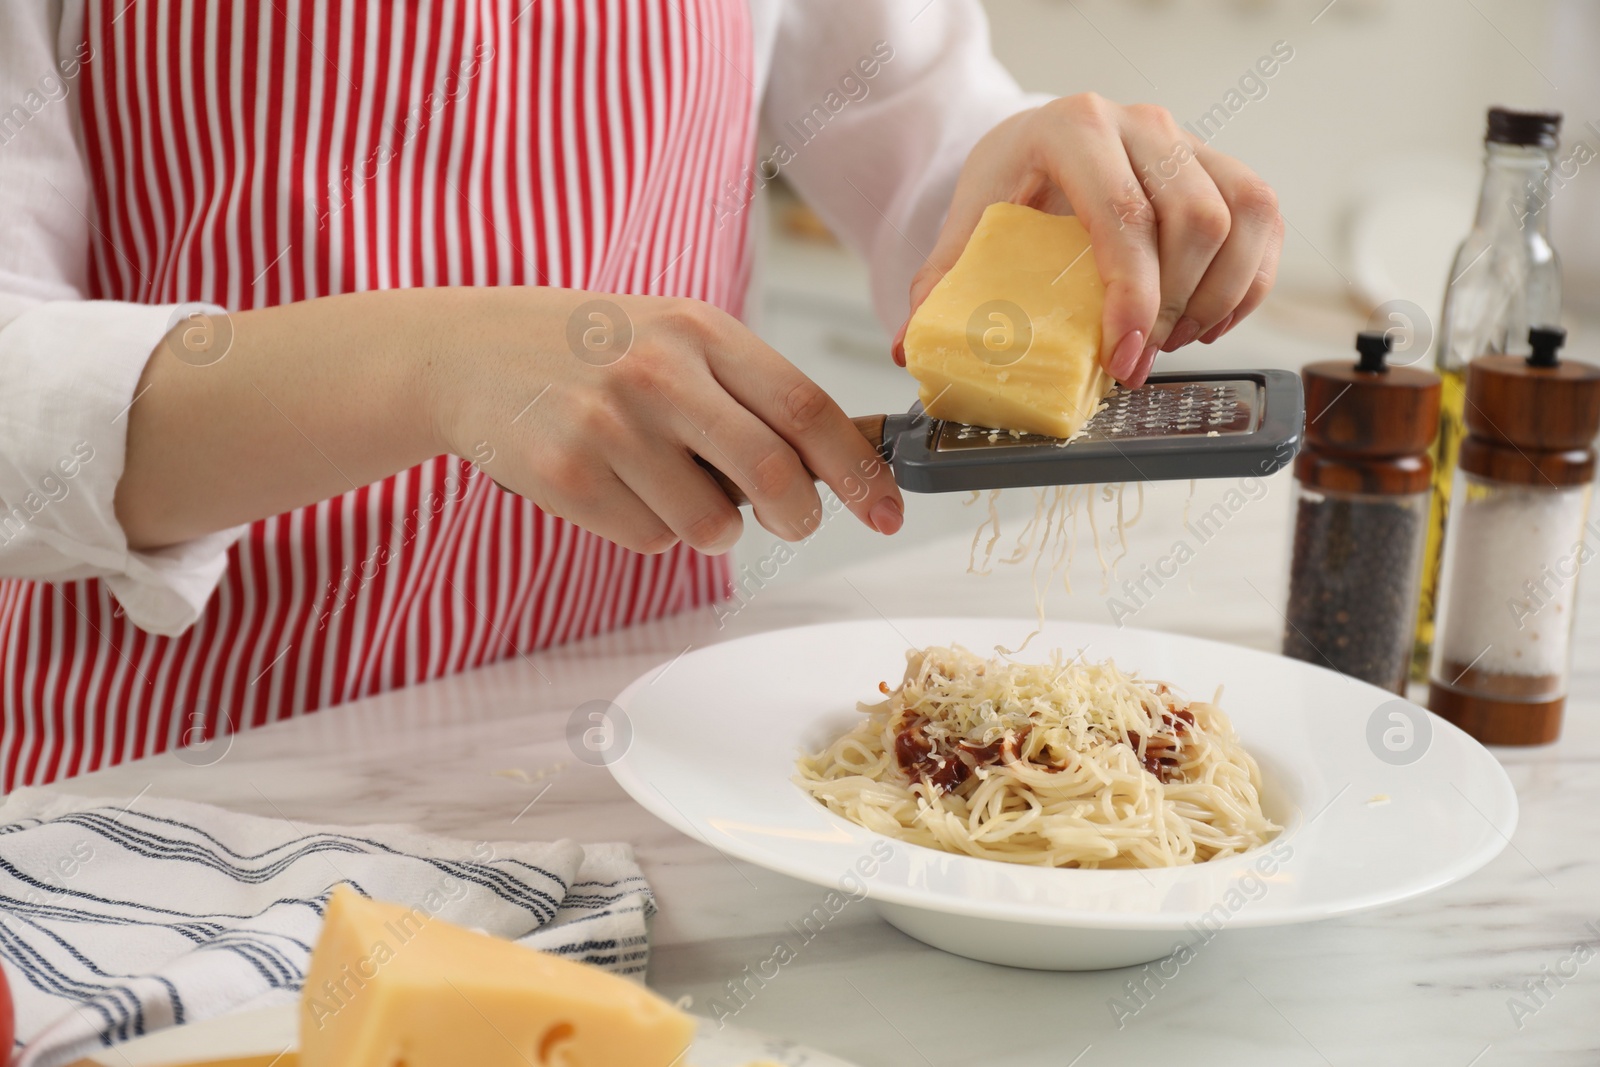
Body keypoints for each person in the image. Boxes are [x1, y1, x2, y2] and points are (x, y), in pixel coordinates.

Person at [0, 1, 1282, 790]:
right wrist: (427, 364)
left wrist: (1032, 199)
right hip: (173, 796)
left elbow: (921, 134)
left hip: (638, 773)